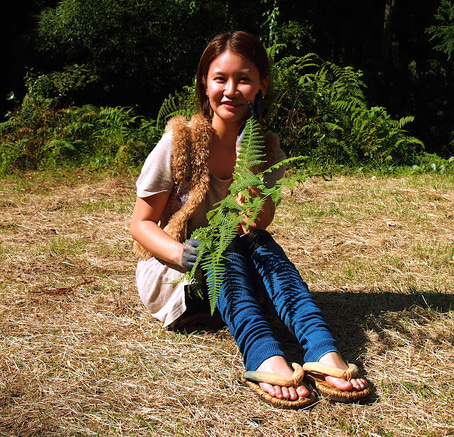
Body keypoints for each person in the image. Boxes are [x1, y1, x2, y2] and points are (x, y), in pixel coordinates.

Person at [129, 30, 370, 408]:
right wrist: (180, 253)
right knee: (219, 242)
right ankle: (262, 352)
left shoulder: (266, 147)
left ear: (261, 86)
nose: (231, 90)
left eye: (244, 79)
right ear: (204, 84)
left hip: (239, 267)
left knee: (258, 242)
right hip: (180, 276)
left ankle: (322, 350)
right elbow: (140, 224)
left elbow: (258, 223)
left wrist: (248, 154)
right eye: (220, 79)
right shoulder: (178, 143)